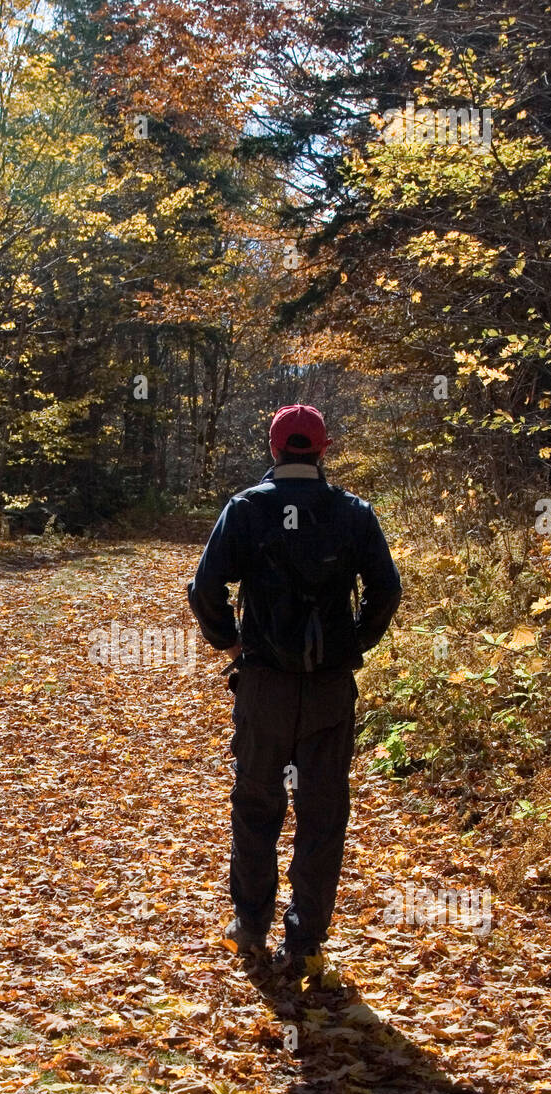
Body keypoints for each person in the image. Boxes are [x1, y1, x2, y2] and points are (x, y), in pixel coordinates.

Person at [188, 404, 402, 979]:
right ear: (323, 449)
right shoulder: (352, 513)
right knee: (322, 811)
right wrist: (356, 644)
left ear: (275, 447)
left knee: (257, 804)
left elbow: (205, 588)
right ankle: (305, 942)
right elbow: (387, 589)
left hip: (264, 685)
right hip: (330, 687)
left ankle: (250, 927)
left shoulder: (247, 509)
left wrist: (232, 646)